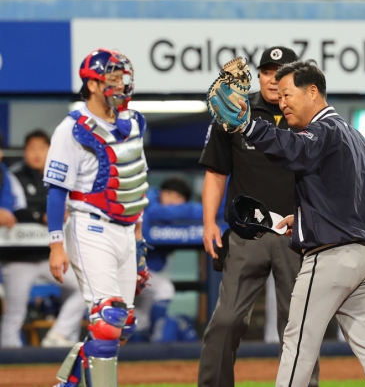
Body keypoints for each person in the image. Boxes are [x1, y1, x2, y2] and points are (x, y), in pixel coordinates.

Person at [234, 59, 365, 387]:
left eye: (287, 94)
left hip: (333, 259)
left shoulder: (321, 130)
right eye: (278, 97)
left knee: (297, 345)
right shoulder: (352, 133)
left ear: (312, 91)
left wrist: (251, 126)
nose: (282, 103)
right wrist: (307, 219)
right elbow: (346, 197)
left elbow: (293, 150)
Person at [198, 46, 319, 387]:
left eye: (280, 73)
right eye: (266, 71)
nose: (272, 79)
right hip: (246, 233)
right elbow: (216, 172)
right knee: (226, 320)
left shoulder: (309, 115)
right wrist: (209, 223)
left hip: (297, 234)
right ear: (259, 75)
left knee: (297, 324)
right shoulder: (235, 109)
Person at [45, 48, 149, 387]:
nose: (120, 84)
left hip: (125, 232)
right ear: (92, 84)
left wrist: (139, 238)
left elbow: (134, 185)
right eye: (112, 78)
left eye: (122, 78)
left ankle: (69, 383)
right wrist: (55, 244)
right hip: (90, 227)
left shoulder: (133, 122)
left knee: (123, 326)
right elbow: (56, 190)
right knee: (108, 318)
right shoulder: (71, 129)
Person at [0, 130, 85, 348]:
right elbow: (16, 210)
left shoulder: (61, 175)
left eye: (42, 148)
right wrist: (42, 216)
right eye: (31, 148)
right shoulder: (13, 174)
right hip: (18, 257)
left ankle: (57, 337)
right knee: (15, 312)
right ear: (24, 152)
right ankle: (11, 366)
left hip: (50, 256)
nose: (37, 153)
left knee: (85, 289)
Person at [134, 177, 202, 341]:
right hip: (128, 268)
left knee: (140, 320)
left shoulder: (169, 212)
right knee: (164, 289)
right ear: (161, 192)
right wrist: (185, 210)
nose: (172, 200)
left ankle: (146, 349)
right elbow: (157, 211)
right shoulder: (147, 200)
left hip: (147, 273)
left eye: (179, 198)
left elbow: (206, 211)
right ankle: (157, 339)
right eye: (169, 194)